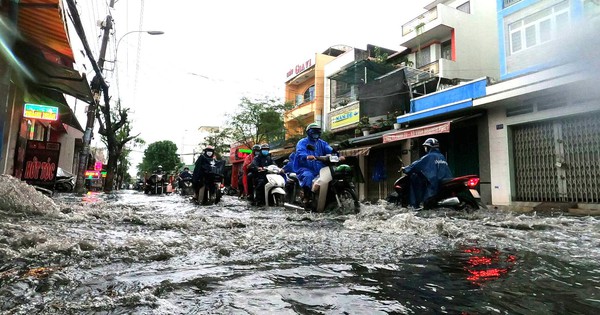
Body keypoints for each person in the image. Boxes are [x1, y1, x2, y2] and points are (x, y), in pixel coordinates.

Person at [402, 137, 453, 209]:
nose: (425, 149)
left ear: (429, 147)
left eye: (426, 147)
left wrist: (406, 169)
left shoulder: (429, 156)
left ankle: (418, 206)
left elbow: (417, 164)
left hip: (435, 183)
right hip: (445, 180)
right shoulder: (441, 156)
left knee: (427, 201)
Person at [294, 123, 334, 207]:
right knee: (308, 176)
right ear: (308, 132)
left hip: (320, 168)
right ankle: (307, 198)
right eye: (313, 131)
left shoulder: (322, 143)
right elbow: (300, 151)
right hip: (305, 168)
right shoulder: (302, 142)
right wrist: (307, 156)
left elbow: (330, 150)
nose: (315, 133)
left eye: (317, 131)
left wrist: (338, 154)